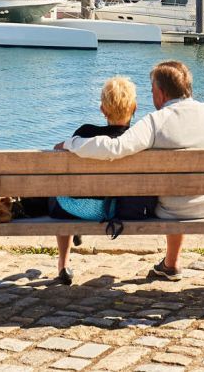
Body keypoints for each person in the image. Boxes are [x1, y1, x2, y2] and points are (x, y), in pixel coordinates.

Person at [55, 60, 204, 281]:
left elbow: (114, 147)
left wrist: (71, 143)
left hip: (176, 210)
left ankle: (171, 263)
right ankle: (171, 263)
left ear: (161, 93)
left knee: (173, 191)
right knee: (179, 183)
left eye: (152, 90)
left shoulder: (156, 121)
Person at [52, 76, 138, 285]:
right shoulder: (137, 138)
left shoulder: (85, 133)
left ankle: (63, 264)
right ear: (134, 108)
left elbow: (58, 152)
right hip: (118, 209)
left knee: (60, 190)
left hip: (73, 208)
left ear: (102, 109)